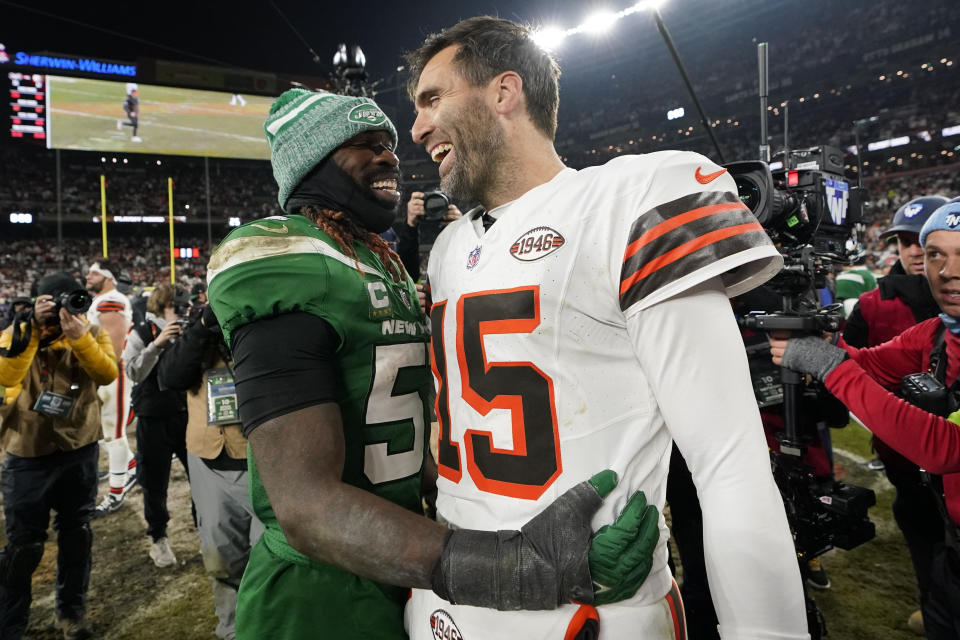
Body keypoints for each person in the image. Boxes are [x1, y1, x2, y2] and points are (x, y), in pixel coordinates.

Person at [405, 17, 807, 639]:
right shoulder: (449, 247)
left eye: (434, 99)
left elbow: (729, 467)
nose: (417, 126)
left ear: (504, 92)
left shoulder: (627, 197)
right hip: (449, 596)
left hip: (586, 615)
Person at [207, 89, 658, 640]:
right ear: (312, 163)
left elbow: (398, 436)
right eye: (365, 146)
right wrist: (516, 565)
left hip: (401, 555)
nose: (389, 157)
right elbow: (305, 506)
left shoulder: (379, 262)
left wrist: (507, 510)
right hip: (319, 589)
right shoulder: (289, 259)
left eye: (389, 145)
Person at [770, 200, 960, 639]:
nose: (949, 271)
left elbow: (945, 447)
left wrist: (829, 365)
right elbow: (871, 363)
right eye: (936, 254)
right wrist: (813, 340)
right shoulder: (936, 331)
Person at [843, 195, 949, 634]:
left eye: (922, 241)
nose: (913, 251)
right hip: (904, 452)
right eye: (906, 241)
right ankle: (932, 604)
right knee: (922, 532)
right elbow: (860, 360)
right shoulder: (874, 303)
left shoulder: (941, 315)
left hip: (947, 457)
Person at [0, 272, 119, 640]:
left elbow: (107, 374)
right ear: (38, 303)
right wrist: (34, 329)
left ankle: (71, 615)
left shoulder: (91, 332)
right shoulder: (15, 334)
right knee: (24, 546)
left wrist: (79, 339)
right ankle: (10, 625)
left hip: (78, 450)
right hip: (28, 453)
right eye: (52, 303)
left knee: (76, 536)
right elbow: (6, 377)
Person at [156, 304, 263, 640]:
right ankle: (231, 629)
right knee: (221, 555)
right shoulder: (198, 329)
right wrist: (203, 326)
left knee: (269, 557)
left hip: (265, 460)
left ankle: (271, 626)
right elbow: (170, 377)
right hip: (209, 458)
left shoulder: (266, 321)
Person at [123, 283, 188, 568]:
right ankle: (159, 538)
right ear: (161, 306)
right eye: (177, 306)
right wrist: (157, 345)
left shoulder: (189, 330)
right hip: (152, 416)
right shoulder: (140, 332)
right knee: (154, 481)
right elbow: (133, 371)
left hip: (187, 413)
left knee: (202, 475)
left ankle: (207, 525)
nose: (184, 311)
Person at [85, 260, 138, 517]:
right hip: (105, 372)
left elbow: (114, 348)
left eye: (94, 272)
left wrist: (98, 375)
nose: (88, 276)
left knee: (113, 433)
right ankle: (130, 465)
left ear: (108, 277)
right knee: (104, 432)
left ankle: (116, 491)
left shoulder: (113, 299)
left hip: (112, 373)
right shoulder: (103, 300)